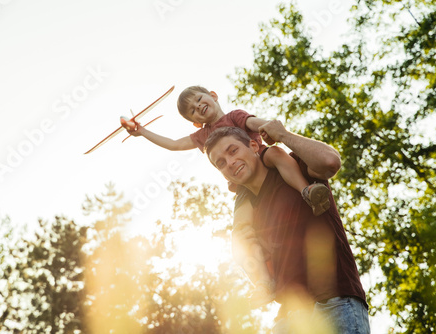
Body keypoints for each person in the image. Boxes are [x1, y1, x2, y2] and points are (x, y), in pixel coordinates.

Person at [125, 85, 330, 307]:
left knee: (277, 153)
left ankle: (307, 191)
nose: (198, 106)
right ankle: (262, 284)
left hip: (262, 159)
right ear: (195, 122)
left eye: (199, 100)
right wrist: (142, 132)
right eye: (193, 110)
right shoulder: (202, 135)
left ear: (213, 96)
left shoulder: (235, 116)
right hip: (242, 186)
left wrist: (274, 130)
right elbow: (174, 145)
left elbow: (256, 123)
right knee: (241, 233)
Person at [204, 125, 370, 334]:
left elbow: (330, 161)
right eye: (221, 163)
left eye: (233, 150)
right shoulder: (246, 211)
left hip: (335, 301)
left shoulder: (293, 166)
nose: (230, 162)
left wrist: (282, 134)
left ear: (254, 145)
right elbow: (246, 253)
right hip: (290, 316)